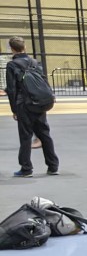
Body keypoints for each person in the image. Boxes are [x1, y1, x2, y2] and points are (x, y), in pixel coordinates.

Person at [5, 36, 59, 177]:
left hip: (25, 104)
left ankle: (26, 168)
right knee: (44, 134)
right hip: (40, 102)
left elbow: (12, 89)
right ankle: (53, 166)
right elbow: (43, 80)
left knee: (25, 136)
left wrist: (14, 109)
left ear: (11, 49)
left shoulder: (12, 65)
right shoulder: (34, 62)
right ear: (25, 47)